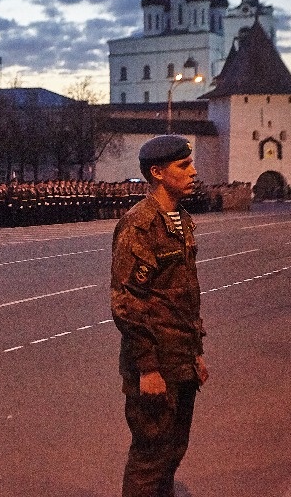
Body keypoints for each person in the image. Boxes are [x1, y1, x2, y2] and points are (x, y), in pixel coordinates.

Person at [111, 135, 209, 497]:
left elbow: (185, 296)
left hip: (181, 355)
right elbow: (127, 303)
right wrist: (148, 367)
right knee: (150, 454)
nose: (193, 171)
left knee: (173, 450)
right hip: (155, 361)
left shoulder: (181, 220)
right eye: (183, 166)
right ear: (157, 172)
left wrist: (196, 351)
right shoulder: (140, 225)